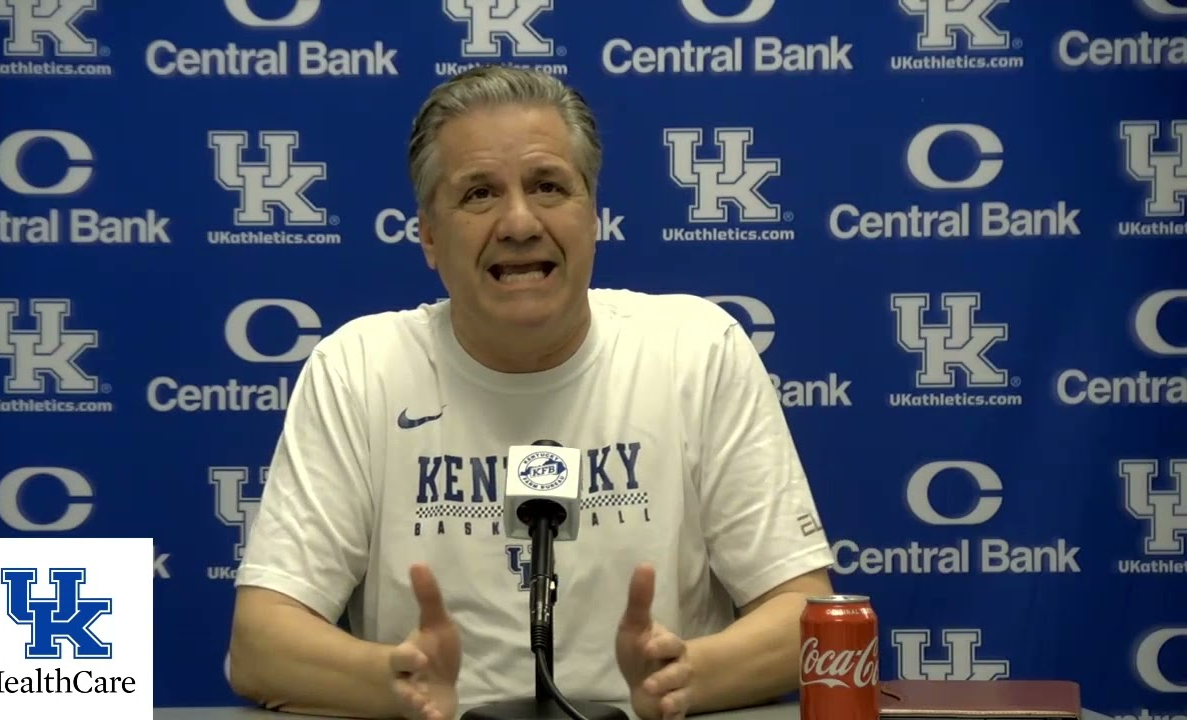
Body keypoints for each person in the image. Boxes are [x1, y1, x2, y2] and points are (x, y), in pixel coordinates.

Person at [226, 65, 835, 720]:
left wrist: (683, 676)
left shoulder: (697, 350)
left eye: (549, 186)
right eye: (479, 194)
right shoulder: (359, 368)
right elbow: (260, 644)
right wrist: (393, 682)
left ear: (593, 216)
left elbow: (809, 614)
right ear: (429, 236)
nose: (519, 222)